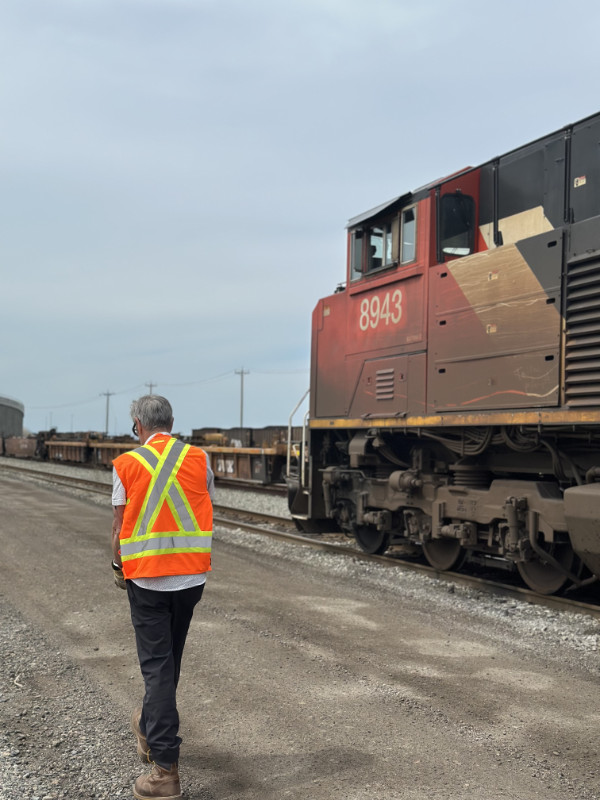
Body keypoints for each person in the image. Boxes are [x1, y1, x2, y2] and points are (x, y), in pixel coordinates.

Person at [111, 395, 214, 800]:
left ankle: (165, 770)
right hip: (191, 579)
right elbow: (203, 506)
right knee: (169, 661)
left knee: (157, 667)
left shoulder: (127, 464)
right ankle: (149, 723)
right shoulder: (199, 459)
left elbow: (119, 526)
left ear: (138, 425)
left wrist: (118, 566)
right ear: (171, 422)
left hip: (148, 581)